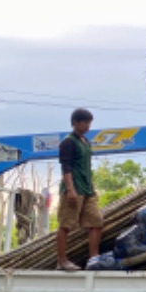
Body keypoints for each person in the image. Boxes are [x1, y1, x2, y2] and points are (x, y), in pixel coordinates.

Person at [55, 108, 102, 271]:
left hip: (88, 189)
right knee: (66, 225)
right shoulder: (68, 142)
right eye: (85, 122)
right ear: (75, 123)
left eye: (90, 123)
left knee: (96, 221)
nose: (88, 126)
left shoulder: (86, 142)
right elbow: (66, 167)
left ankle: (94, 259)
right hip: (74, 189)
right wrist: (70, 190)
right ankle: (62, 261)